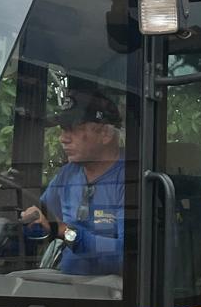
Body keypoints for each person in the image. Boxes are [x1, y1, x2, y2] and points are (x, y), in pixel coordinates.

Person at [21, 91, 125, 276]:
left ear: (106, 134)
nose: (63, 138)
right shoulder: (68, 175)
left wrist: (65, 231)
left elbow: (128, 258)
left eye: (74, 128)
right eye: (63, 129)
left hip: (114, 295)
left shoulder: (130, 180)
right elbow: (44, 217)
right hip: (70, 290)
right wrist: (27, 223)